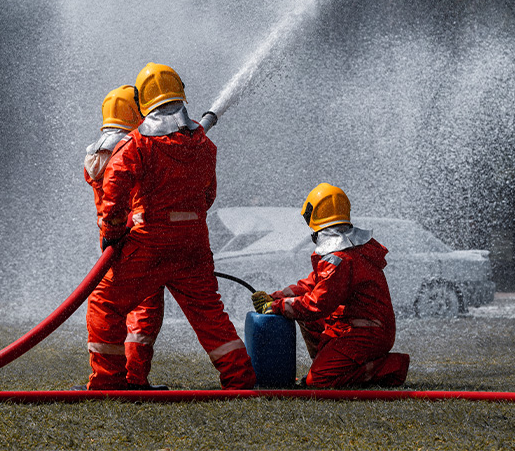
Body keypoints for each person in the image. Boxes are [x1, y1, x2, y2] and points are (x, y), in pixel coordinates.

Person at [85, 62, 256, 390]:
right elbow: (208, 196)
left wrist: (112, 233)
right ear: (181, 94)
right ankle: (240, 379)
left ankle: (108, 382)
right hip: (194, 245)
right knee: (210, 315)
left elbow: (115, 188)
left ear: (142, 102)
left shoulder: (137, 144)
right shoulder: (204, 144)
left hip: (149, 243)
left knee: (104, 303)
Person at [251, 183, 410, 388]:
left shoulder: (340, 258)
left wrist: (278, 306)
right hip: (359, 326)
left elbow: (318, 304)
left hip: (367, 333)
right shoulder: (350, 250)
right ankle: (329, 361)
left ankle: (392, 366)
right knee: (303, 313)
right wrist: (277, 297)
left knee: (319, 380)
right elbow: (312, 285)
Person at [83, 85, 166, 390]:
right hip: (139, 243)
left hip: (113, 242)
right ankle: (133, 378)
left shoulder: (95, 155)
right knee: (146, 310)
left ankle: (109, 378)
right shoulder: (131, 150)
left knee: (110, 310)